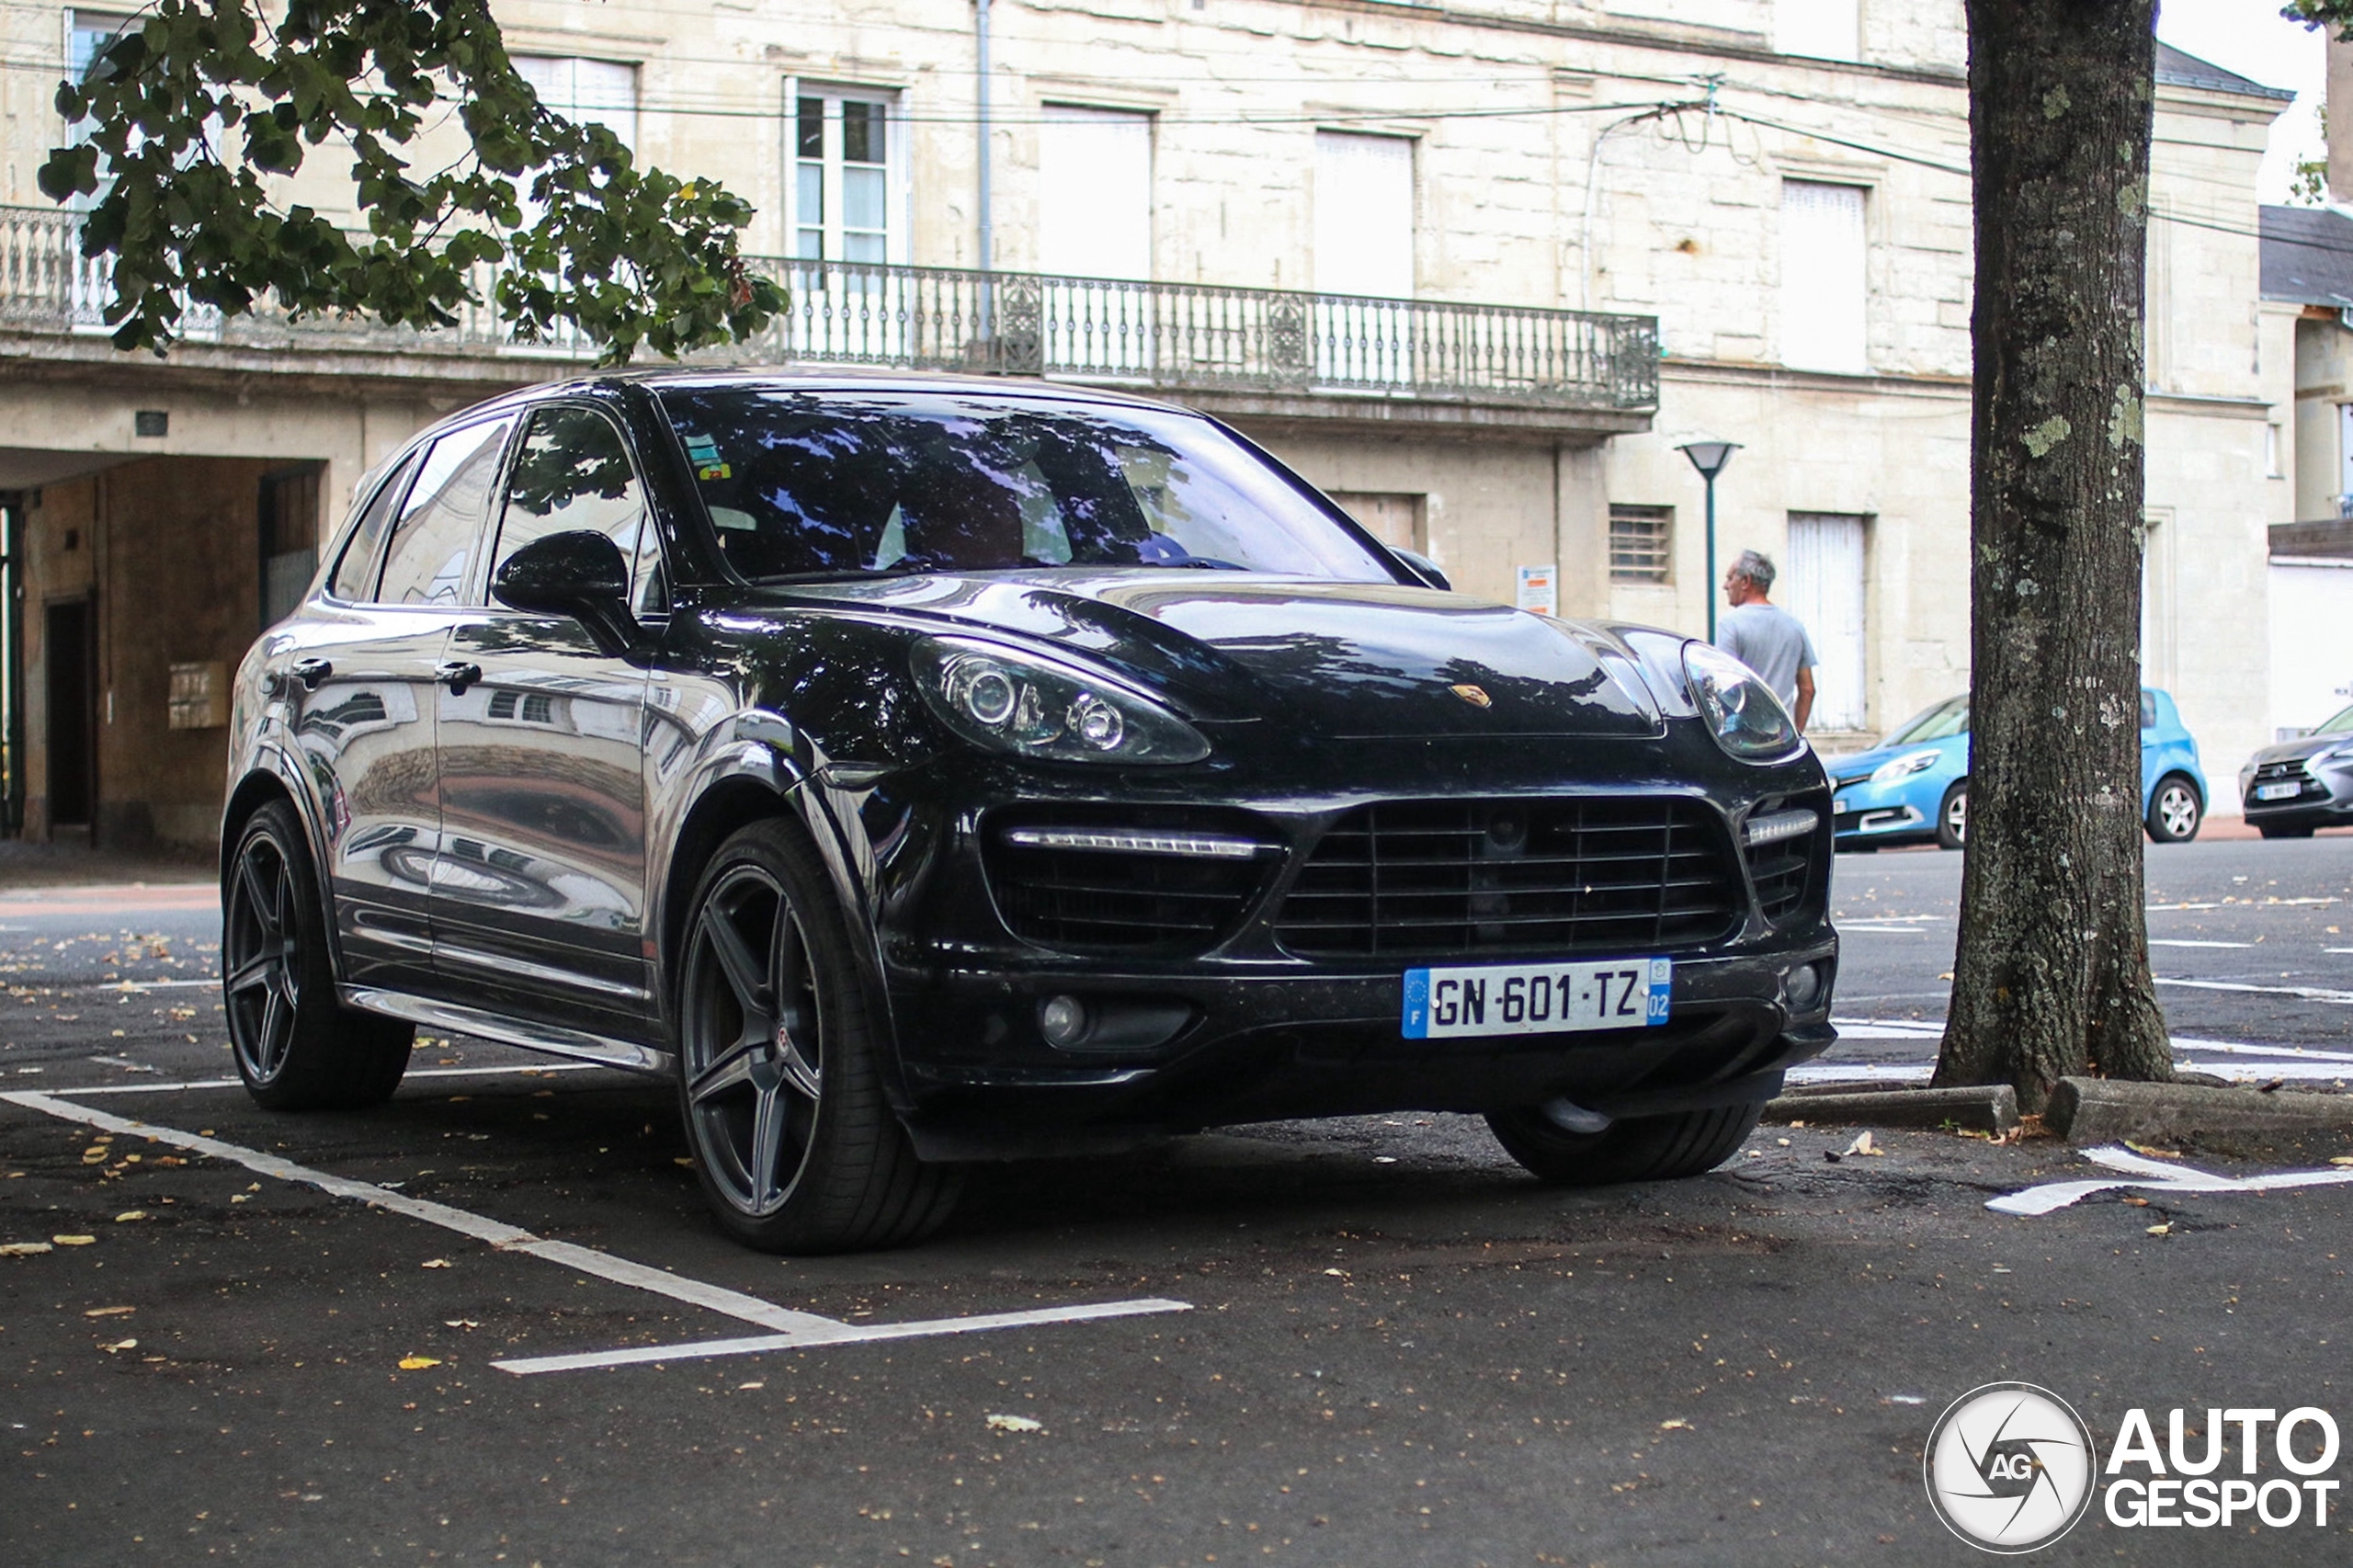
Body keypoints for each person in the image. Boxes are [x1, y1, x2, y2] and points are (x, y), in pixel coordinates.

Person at [1713, 549, 1816, 732]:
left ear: (1746, 581)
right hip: (1782, 736)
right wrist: (1796, 734)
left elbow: (1724, 684)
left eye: (1730, 578)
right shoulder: (1794, 626)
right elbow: (1807, 689)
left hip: (1745, 736)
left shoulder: (1731, 624)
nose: (1725, 586)